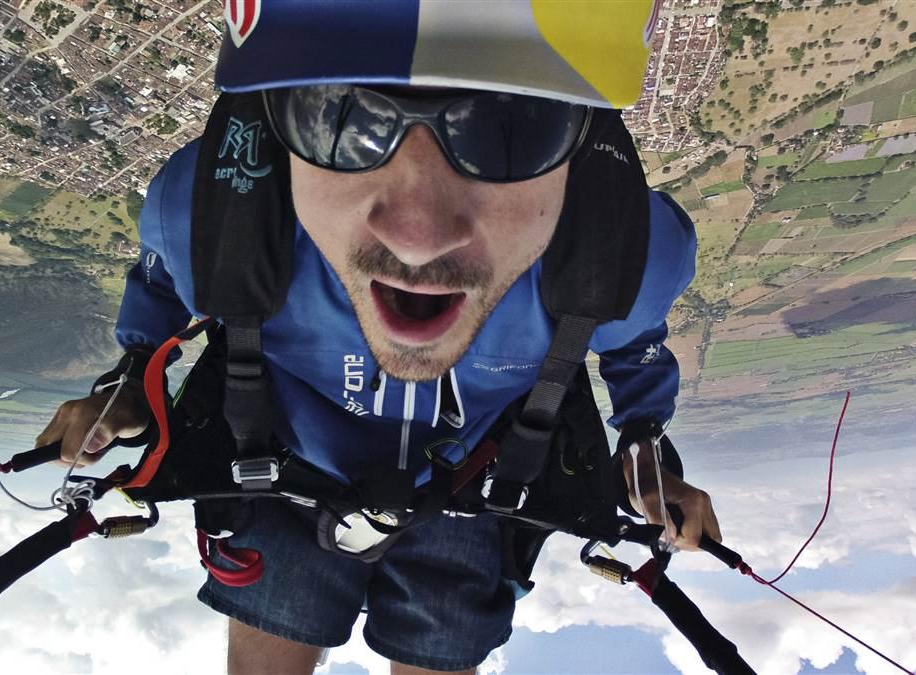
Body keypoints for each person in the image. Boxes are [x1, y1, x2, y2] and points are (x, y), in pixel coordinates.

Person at [39, 2, 722, 673]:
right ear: (275, 127)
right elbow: (164, 286)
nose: (419, 237)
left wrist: (645, 451)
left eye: (512, 129)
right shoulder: (203, 213)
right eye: (341, 118)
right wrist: (127, 382)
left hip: (426, 475)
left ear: (581, 146)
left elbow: (163, 288)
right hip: (321, 465)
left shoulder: (627, 248)